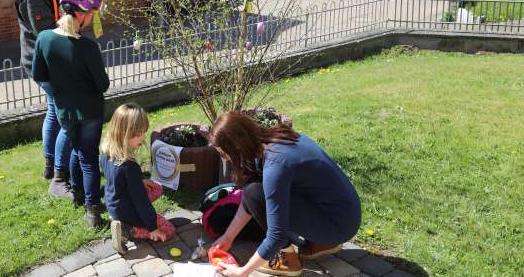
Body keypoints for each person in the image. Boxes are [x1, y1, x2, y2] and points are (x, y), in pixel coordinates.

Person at [208, 112, 361, 277]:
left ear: (237, 148)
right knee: (253, 190)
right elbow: (250, 199)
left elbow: (276, 234)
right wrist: (228, 237)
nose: (226, 160)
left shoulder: (276, 165)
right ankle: (320, 243)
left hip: (337, 226)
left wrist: (242, 272)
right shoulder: (277, 139)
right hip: (345, 216)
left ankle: (287, 260)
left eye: (224, 154)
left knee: (254, 191)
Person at [13, 0, 86, 197]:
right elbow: (46, 35)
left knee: (54, 111)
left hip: (54, 60)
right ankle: (59, 175)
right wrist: (76, 20)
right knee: (65, 113)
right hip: (43, 62)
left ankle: (50, 164)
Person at [32, 0, 109, 228]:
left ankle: (76, 193)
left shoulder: (44, 39)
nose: (92, 19)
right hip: (90, 111)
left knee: (77, 150)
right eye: (91, 14)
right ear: (81, 14)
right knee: (88, 158)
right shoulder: (88, 47)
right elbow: (103, 85)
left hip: (65, 109)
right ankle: (93, 211)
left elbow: (39, 75)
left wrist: (63, 89)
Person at [99, 104, 176, 253]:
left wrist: (139, 182)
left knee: (157, 187)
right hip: (127, 211)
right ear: (122, 133)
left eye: (143, 132)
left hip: (113, 203)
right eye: (136, 134)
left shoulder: (105, 151)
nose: (142, 137)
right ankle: (129, 230)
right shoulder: (129, 166)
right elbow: (140, 201)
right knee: (168, 230)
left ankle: (124, 223)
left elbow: (116, 180)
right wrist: (152, 227)